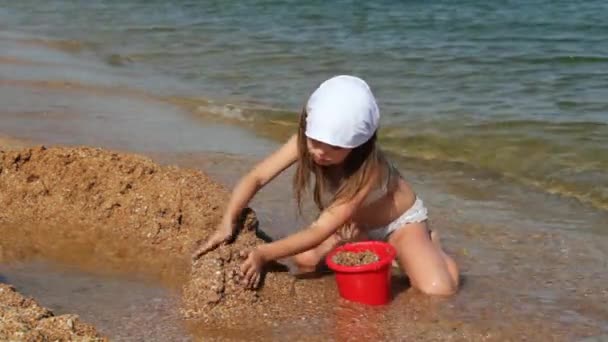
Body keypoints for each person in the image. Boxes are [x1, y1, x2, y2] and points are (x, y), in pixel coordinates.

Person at [193, 75, 459, 296]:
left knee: (438, 289)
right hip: (352, 223)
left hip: (399, 225)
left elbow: (321, 229)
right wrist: (228, 220)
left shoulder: (369, 168)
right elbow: (257, 176)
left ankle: (432, 245)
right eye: (315, 141)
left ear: (359, 145)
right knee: (305, 260)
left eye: (335, 147)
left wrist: (263, 253)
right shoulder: (309, 141)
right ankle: (372, 246)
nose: (320, 152)